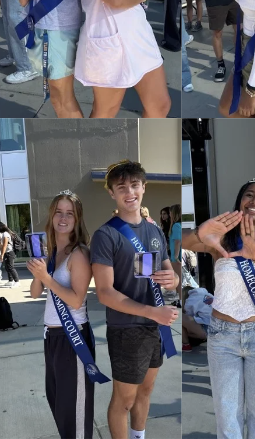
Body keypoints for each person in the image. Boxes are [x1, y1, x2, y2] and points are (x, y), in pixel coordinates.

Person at [182, 178, 255, 439]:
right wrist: (201, 232)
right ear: (240, 201)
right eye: (249, 195)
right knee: (227, 415)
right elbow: (184, 244)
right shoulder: (222, 240)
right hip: (222, 335)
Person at [90, 160, 179, 439]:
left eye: (134, 185)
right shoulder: (106, 235)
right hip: (126, 329)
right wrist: (152, 313)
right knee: (124, 400)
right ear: (112, 194)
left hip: (155, 327)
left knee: (145, 392)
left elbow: (169, 272)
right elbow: (105, 292)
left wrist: (172, 280)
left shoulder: (154, 231)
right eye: (121, 187)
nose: (130, 192)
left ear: (144, 187)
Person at [27, 190, 98, 439]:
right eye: (59, 212)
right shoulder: (52, 252)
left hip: (73, 339)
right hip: (52, 338)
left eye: (70, 213)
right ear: (52, 215)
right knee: (58, 404)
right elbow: (36, 293)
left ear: (77, 219)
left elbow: (77, 300)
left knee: (74, 415)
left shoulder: (79, 253)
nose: (63, 217)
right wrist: (39, 274)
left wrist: (47, 278)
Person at [0, 221, 20, 287]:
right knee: (7, 267)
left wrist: (2, 254)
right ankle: (10, 280)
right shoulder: (6, 233)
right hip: (8, 252)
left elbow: (5, 245)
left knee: (10, 267)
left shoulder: (5, 234)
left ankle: (17, 281)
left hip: (9, 252)